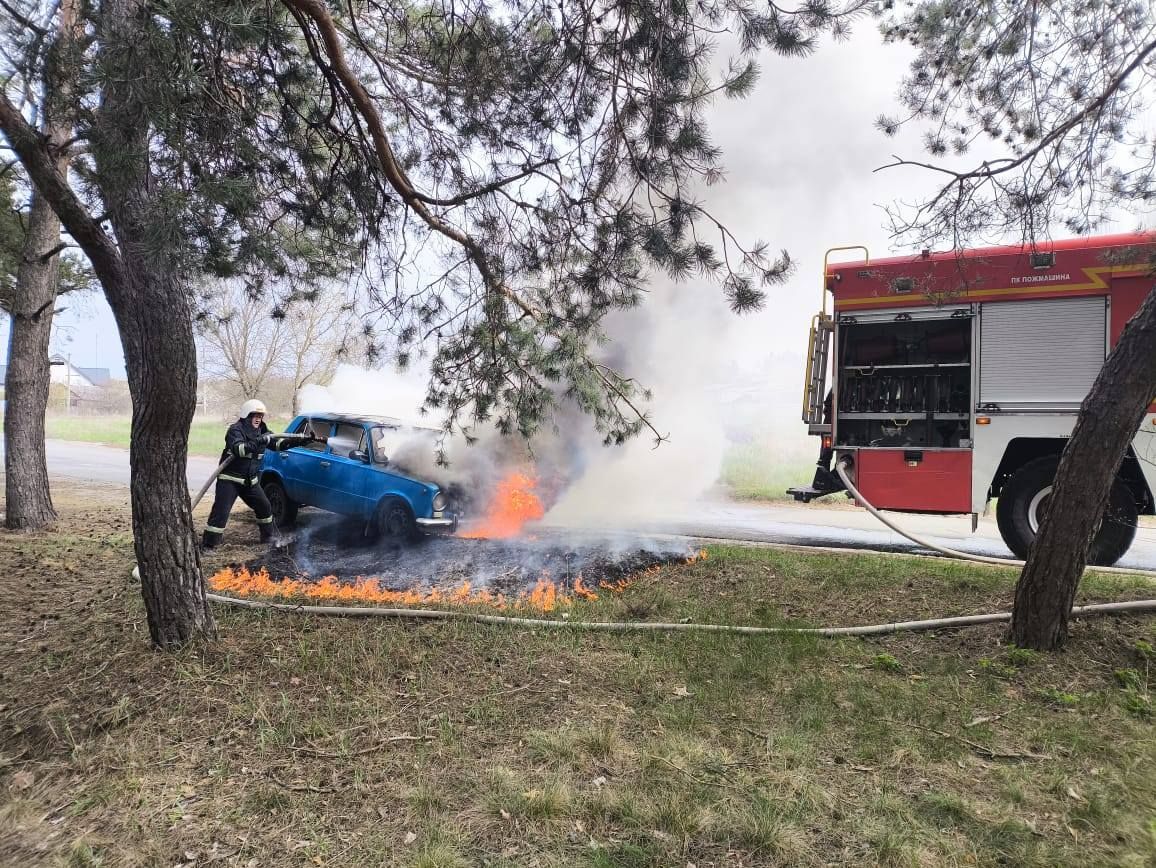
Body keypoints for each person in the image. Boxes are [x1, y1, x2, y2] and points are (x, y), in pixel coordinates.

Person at [202, 399, 311, 548]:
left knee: (265, 507)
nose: (258, 418)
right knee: (221, 512)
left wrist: (300, 442)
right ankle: (209, 545)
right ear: (246, 415)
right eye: (255, 415)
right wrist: (259, 441)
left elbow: (278, 444)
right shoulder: (235, 430)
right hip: (230, 480)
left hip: (250, 481)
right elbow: (239, 450)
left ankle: (268, 538)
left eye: (260, 415)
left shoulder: (263, 431)